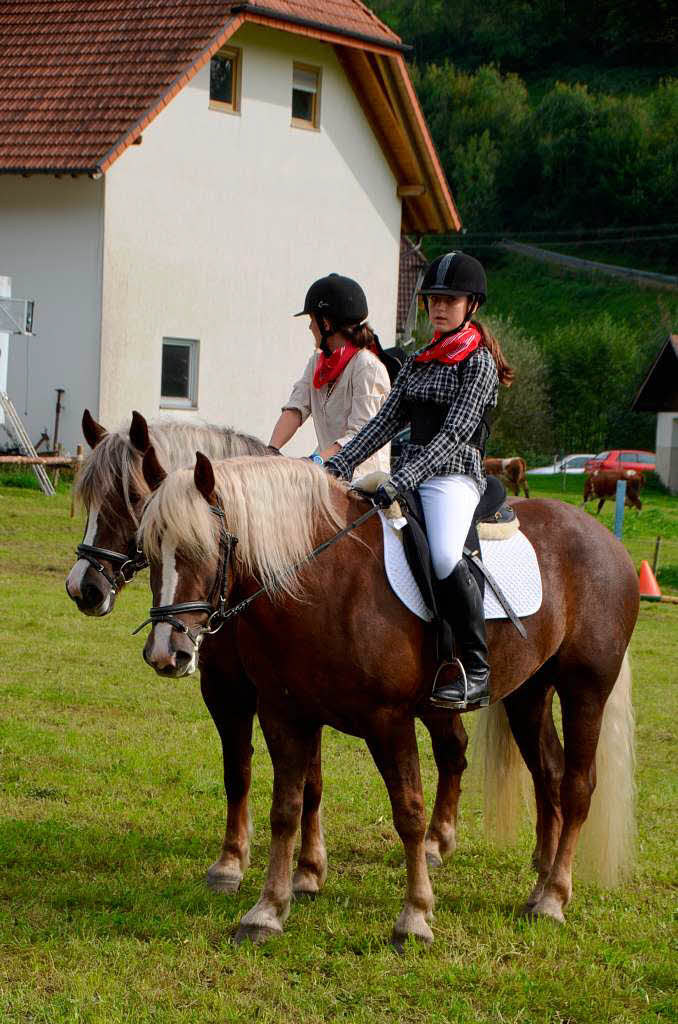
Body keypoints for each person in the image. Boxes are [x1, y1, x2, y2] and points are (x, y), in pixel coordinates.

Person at [326, 252, 514, 711]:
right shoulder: (418, 361)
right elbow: (381, 423)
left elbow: (453, 436)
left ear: (471, 305)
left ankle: (476, 667)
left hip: (454, 476)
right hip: (410, 472)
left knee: (447, 554)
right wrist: (338, 465)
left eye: (450, 300)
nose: (439, 307)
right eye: (433, 299)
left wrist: (405, 475)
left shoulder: (479, 364)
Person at [269, 274, 393, 476]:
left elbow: (360, 436)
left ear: (326, 324)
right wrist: (271, 450)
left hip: (363, 479)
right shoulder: (316, 362)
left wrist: (315, 461)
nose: (310, 327)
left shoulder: (367, 367)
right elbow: (296, 408)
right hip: (329, 471)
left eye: (311, 320)